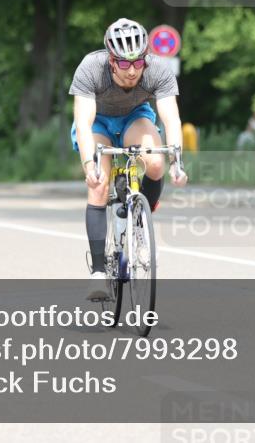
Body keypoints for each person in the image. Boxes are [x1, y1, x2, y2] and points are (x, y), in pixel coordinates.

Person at [70, 18, 188, 300]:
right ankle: (99, 272)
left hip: (134, 117)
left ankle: (138, 225)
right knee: (99, 183)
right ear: (111, 60)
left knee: (156, 163)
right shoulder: (91, 67)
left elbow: (171, 118)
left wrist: (177, 162)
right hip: (98, 122)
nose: (132, 70)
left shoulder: (157, 69)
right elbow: (83, 122)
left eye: (138, 62)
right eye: (124, 63)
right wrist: (89, 166)